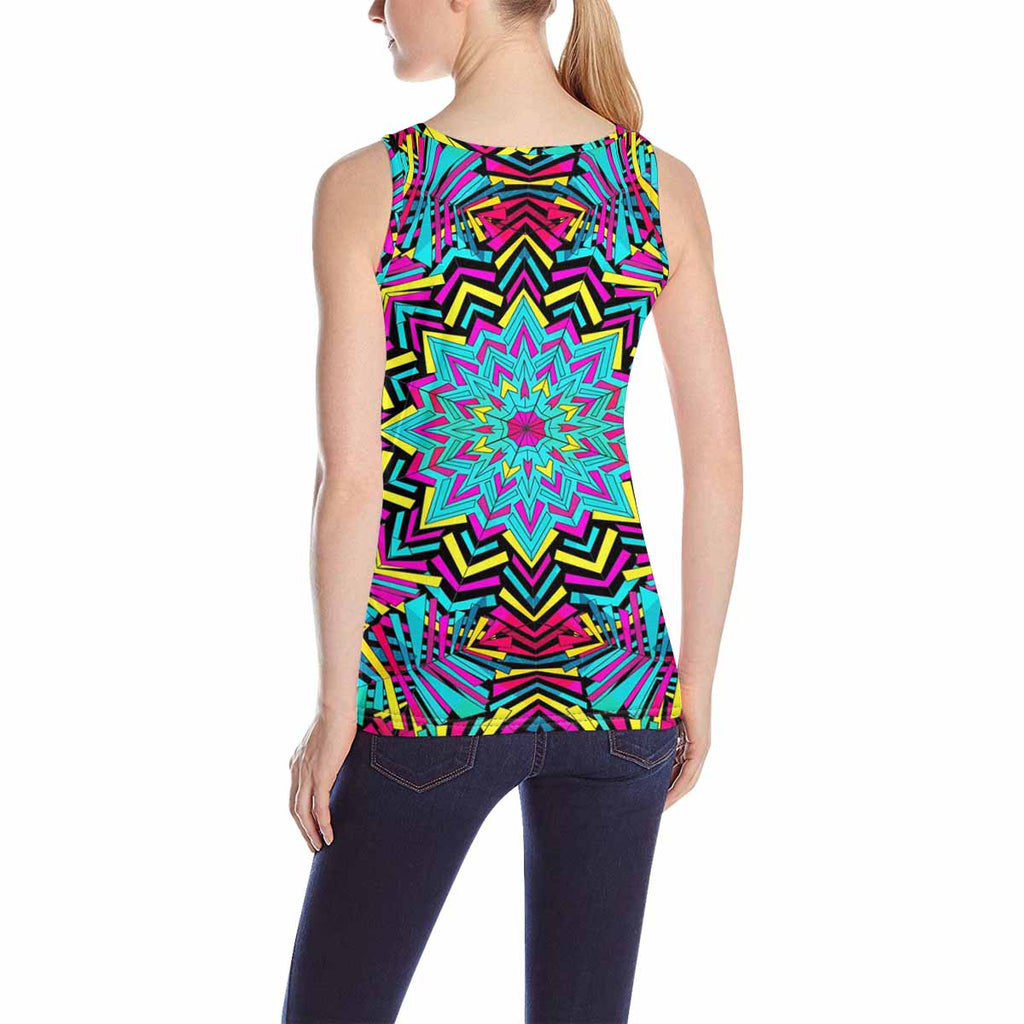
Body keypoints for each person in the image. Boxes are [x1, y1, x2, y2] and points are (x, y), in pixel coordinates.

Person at [281, 0, 742, 1020]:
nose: (374, 10)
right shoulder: (654, 185)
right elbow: (715, 461)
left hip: (429, 680)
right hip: (619, 684)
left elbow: (350, 479)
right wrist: (696, 684)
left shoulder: (372, 189)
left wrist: (335, 708)